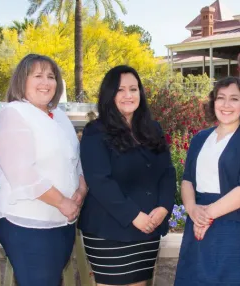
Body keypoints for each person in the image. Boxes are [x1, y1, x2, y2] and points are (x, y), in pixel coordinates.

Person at [0, 54, 85, 286]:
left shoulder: (59, 116)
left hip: (62, 221)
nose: (46, 82)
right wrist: (63, 202)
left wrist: (81, 189)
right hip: (26, 222)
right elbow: (22, 173)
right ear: (22, 80)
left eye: (51, 76)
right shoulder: (13, 114)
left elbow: (75, 160)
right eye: (38, 76)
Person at [79, 65, 176, 286]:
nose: (128, 95)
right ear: (109, 94)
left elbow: (167, 172)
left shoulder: (153, 128)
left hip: (148, 229)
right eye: (121, 90)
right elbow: (99, 181)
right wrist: (134, 216)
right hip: (110, 231)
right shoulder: (96, 131)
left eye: (133, 89)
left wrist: (163, 208)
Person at [174, 77, 240, 286]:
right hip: (199, 227)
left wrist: (205, 216)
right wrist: (192, 210)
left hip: (238, 228)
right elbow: (188, 180)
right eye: (221, 98)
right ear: (213, 102)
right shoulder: (200, 138)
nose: (226, 105)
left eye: (234, 99)